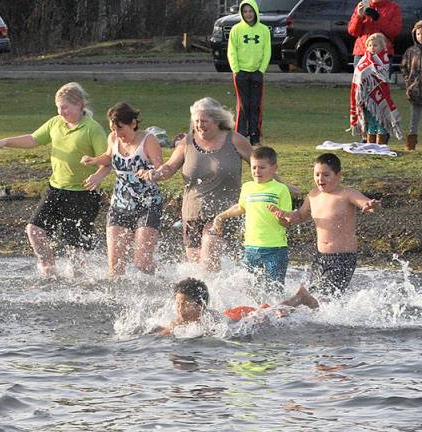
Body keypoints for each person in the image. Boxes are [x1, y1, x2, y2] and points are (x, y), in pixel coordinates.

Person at [0, 82, 108, 276]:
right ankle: (49, 271)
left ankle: (81, 293)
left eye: (65, 107)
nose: (61, 112)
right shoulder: (55, 123)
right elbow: (33, 139)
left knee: (75, 254)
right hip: (56, 190)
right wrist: (6, 142)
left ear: (79, 104)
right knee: (34, 230)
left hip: (83, 195)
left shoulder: (92, 129)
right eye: (58, 108)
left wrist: (97, 176)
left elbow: (107, 160)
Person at [140, 97, 253, 271]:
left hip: (222, 214)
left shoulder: (235, 140)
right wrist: (155, 174)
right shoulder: (187, 142)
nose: (199, 125)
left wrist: (280, 186)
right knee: (197, 268)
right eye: (197, 121)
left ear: (217, 120)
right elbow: (170, 167)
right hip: (192, 214)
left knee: (208, 265)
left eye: (204, 121)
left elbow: (260, 165)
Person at [267, 153, 380, 299]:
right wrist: (284, 214)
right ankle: (290, 309)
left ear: (339, 175)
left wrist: (372, 205)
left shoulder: (347, 194)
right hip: (320, 257)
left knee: (322, 298)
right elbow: (300, 216)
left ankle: (289, 306)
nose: (320, 179)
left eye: (326, 175)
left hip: (342, 259)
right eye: (317, 174)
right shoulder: (313, 195)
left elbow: (367, 204)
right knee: (315, 301)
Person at [81, 102, 164, 275]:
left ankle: (159, 285)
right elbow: (109, 159)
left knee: (142, 262)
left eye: (121, 129)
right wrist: (95, 164)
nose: (117, 134)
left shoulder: (148, 140)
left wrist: (151, 173)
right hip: (119, 204)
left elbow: (162, 169)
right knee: (115, 266)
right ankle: (116, 298)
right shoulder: (113, 138)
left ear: (133, 124)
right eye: (113, 129)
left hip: (147, 205)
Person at [212, 145, 293, 290]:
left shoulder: (281, 189)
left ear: (274, 168)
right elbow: (240, 207)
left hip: (275, 249)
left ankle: (277, 311)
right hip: (250, 249)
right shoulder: (247, 187)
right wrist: (221, 216)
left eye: (262, 167)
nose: (257, 171)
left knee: (274, 290)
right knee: (248, 289)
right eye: (254, 167)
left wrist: (280, 216)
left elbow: (287, 222)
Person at [160, 277, 317, 336]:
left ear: (200, 304)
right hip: (233, 314)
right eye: (178, 303)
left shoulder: (210, 319)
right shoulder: (181, 320)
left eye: (185, 303)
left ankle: (300, 297)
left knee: (275, 313)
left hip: (243, 318)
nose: (180, 309)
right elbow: (161, 335)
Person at [227, 0, 271, 145]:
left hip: (257, 73)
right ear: (241, 13)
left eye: (251, 11)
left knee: (255, 105)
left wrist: (261, 69)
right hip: (241, 73)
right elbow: (231, 51)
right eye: (245, 11)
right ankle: (240, 136)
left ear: (255, 12)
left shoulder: (264, 30)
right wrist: (236, 69)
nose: (248, 14)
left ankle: (255, 137)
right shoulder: (236, 30)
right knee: (243, 104)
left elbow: (267, 51)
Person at [350, 32, 402, 145]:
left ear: (382, 46)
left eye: (375, 45)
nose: (372, 48)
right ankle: (370, 143)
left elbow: (381, 75)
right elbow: (358, 75)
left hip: (380, 96)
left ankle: (381, 144)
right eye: (370, 45)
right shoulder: (364, 59)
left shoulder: (384, 59)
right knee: (370, 120)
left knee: (381, 120)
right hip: (366, 97)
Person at [347, 0, 402, 65]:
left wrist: (378, 18)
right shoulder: (362, 6)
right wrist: (359, 17)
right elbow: (353, 32)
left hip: (383, 53)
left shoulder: (393, 8)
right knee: (360, 80)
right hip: (362, 52)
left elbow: (395, 31)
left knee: (381, 79)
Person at [401, 20, 422, 151]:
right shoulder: (411, 51)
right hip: (415, 91)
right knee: (414, 118)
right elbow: (404, 67)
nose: (421, 36)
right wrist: (409, 82)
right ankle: (411, 144)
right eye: (419, 33)